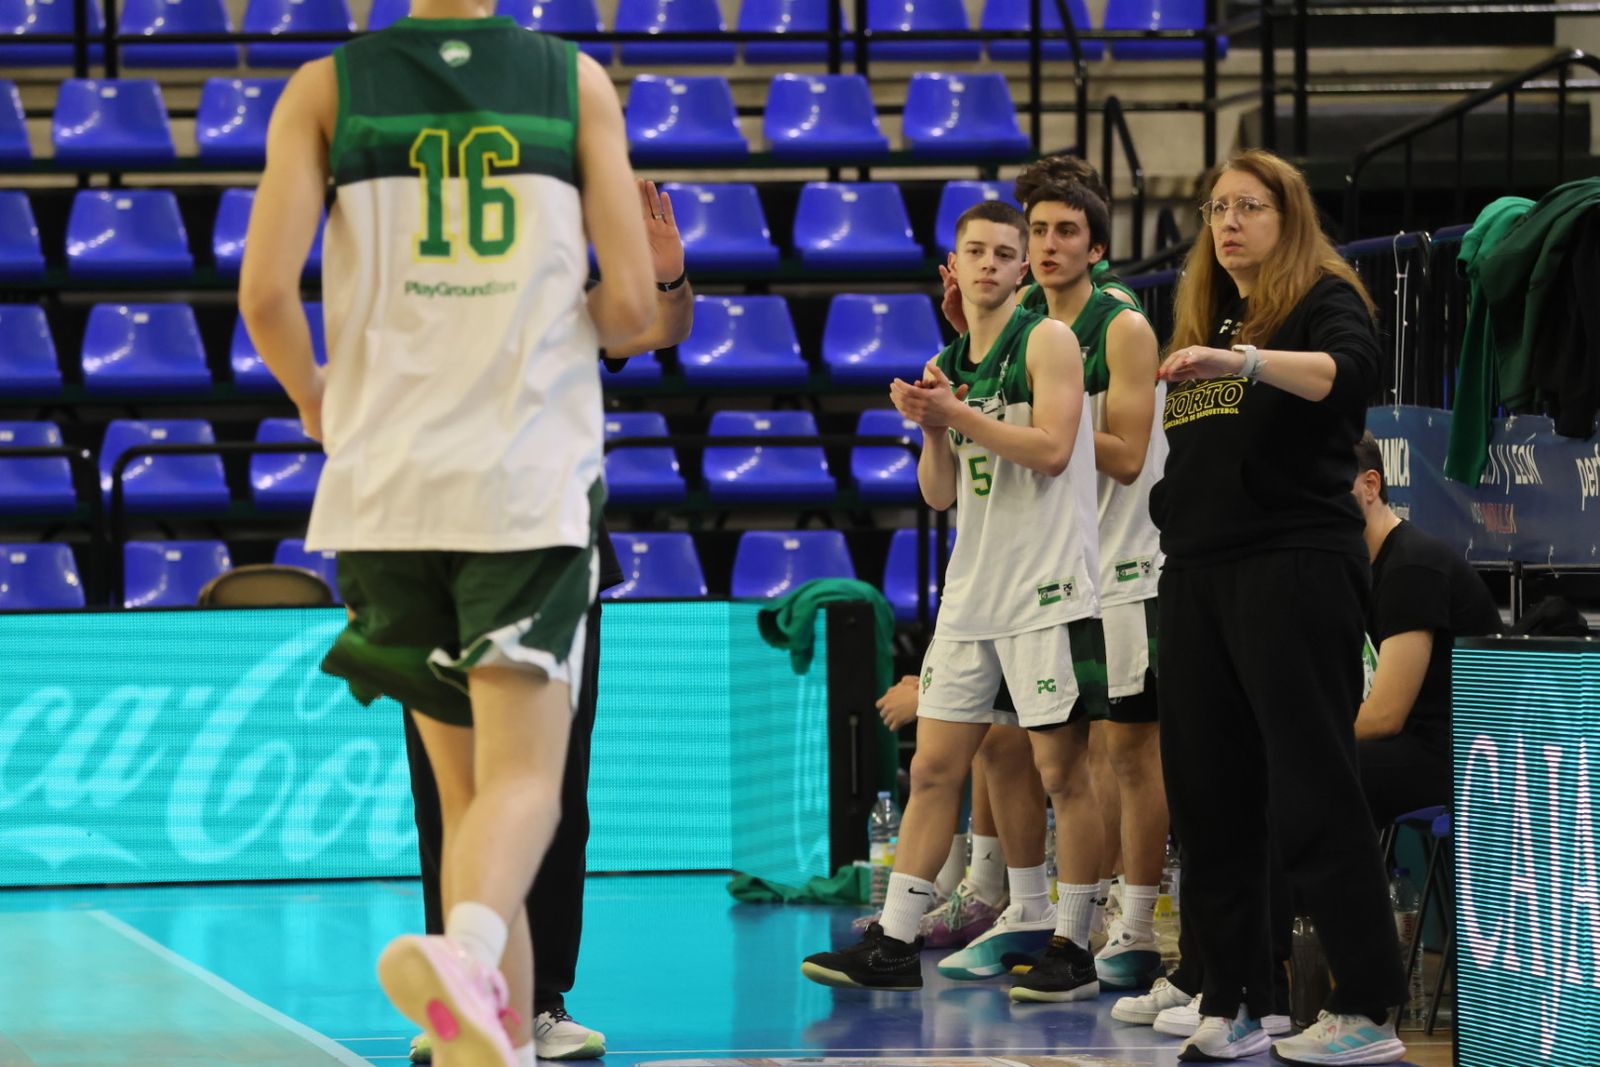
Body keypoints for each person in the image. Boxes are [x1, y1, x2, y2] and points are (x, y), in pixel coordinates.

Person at [239, 4, 656, 1064]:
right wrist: (573, 303)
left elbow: (263, 296)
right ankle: (466, 952)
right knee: (528, 786)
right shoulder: (574, 84)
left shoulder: (325, 87)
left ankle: (497, 1035)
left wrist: (319, 400)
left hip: (384, 485)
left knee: (473, 811)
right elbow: (634, 309)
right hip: (520, 476)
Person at [403, 179, 693, 1064]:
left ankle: (537, 1001)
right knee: (450, 795)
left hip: (556, 564)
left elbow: (660, 328)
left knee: (555, 789)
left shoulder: (567, 302)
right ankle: (463, 991)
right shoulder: (417, 304)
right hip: (439, 562)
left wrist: (669, 277)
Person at [800, 201, 1107, 1004]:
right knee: (935, 764)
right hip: (973, 593)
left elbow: (1051, 448)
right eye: (976, 250)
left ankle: (1075, 942)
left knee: (1062, 769)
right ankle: (896, 940)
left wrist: (956, 412)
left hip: (1046, 585)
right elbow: (939, 495)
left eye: (1006, 253)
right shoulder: (949, 356)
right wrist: (935, 430)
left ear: (1018, 271)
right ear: (955, 264)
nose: (991, 263)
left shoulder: (1049, 340)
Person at [1149, 149, 1407, 1065]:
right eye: (1216, 207)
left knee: (1312, 789)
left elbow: (1346, 376)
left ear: (1286, 215)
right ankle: (1239, 992)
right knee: (1209, 793)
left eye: (1248, 206)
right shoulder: (1209, 312)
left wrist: (1248, 358)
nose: (1228, 223)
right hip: (1199, 572)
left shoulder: (1323, 297)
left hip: (1294, 564)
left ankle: (1369, 1007)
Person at [997, 179, 1168, 1001]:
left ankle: (1138, 926)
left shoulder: (1122, 325)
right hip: (1057, 568)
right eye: (1038, 230)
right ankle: (1078, 920)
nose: (1049, 244)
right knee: (1069, 756)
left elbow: (1131, 455)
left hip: (1128, 565)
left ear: (1097, 248)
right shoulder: (1025, 326)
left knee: (1129, 752)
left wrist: (1048, 420)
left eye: (1068, 231)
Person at [1351, 430, 1502, 825]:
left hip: (1457, 758)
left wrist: (1298, 737)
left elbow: (1386, 716)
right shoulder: (1356, 569)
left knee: (1310, 769)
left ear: (1370, 485)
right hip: (1414, 745)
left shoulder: (1410, 567)